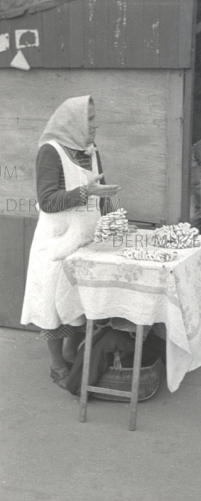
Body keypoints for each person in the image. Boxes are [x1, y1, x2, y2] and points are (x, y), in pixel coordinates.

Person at [21, 95, 120, 389]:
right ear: (73, 122)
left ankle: (69, 353)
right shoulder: (50, 152)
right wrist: (84, 193)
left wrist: (113, 216)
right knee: (52, 307)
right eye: (90, 119)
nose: (95, 124)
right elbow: (48, 201)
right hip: (57, 242)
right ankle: (56, 365)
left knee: (76, 304)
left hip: (84, 241)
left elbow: (98, 189)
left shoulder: (89, 150)